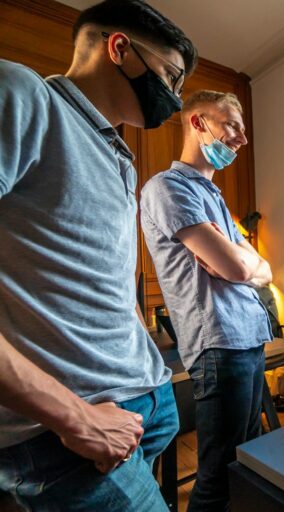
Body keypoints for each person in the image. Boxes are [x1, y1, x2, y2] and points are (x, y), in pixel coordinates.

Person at [0, 1, 196, 510]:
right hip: (68, 432)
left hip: (143, 403)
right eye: (171, 77)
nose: (175, 100)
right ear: (120, 48)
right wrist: (76, 419)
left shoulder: (119, 157)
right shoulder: (25, 95)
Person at [140, 90, 273, 512]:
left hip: (248, 337)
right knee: (218, 477)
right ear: (198, 123)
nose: (242, 139)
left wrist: (242, 264)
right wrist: (241, 265)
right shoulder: (167, 187)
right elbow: (237, 267)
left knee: (247, 463)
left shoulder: (214, 197)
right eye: (232, 124)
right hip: (219, 344)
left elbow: (263, 270)